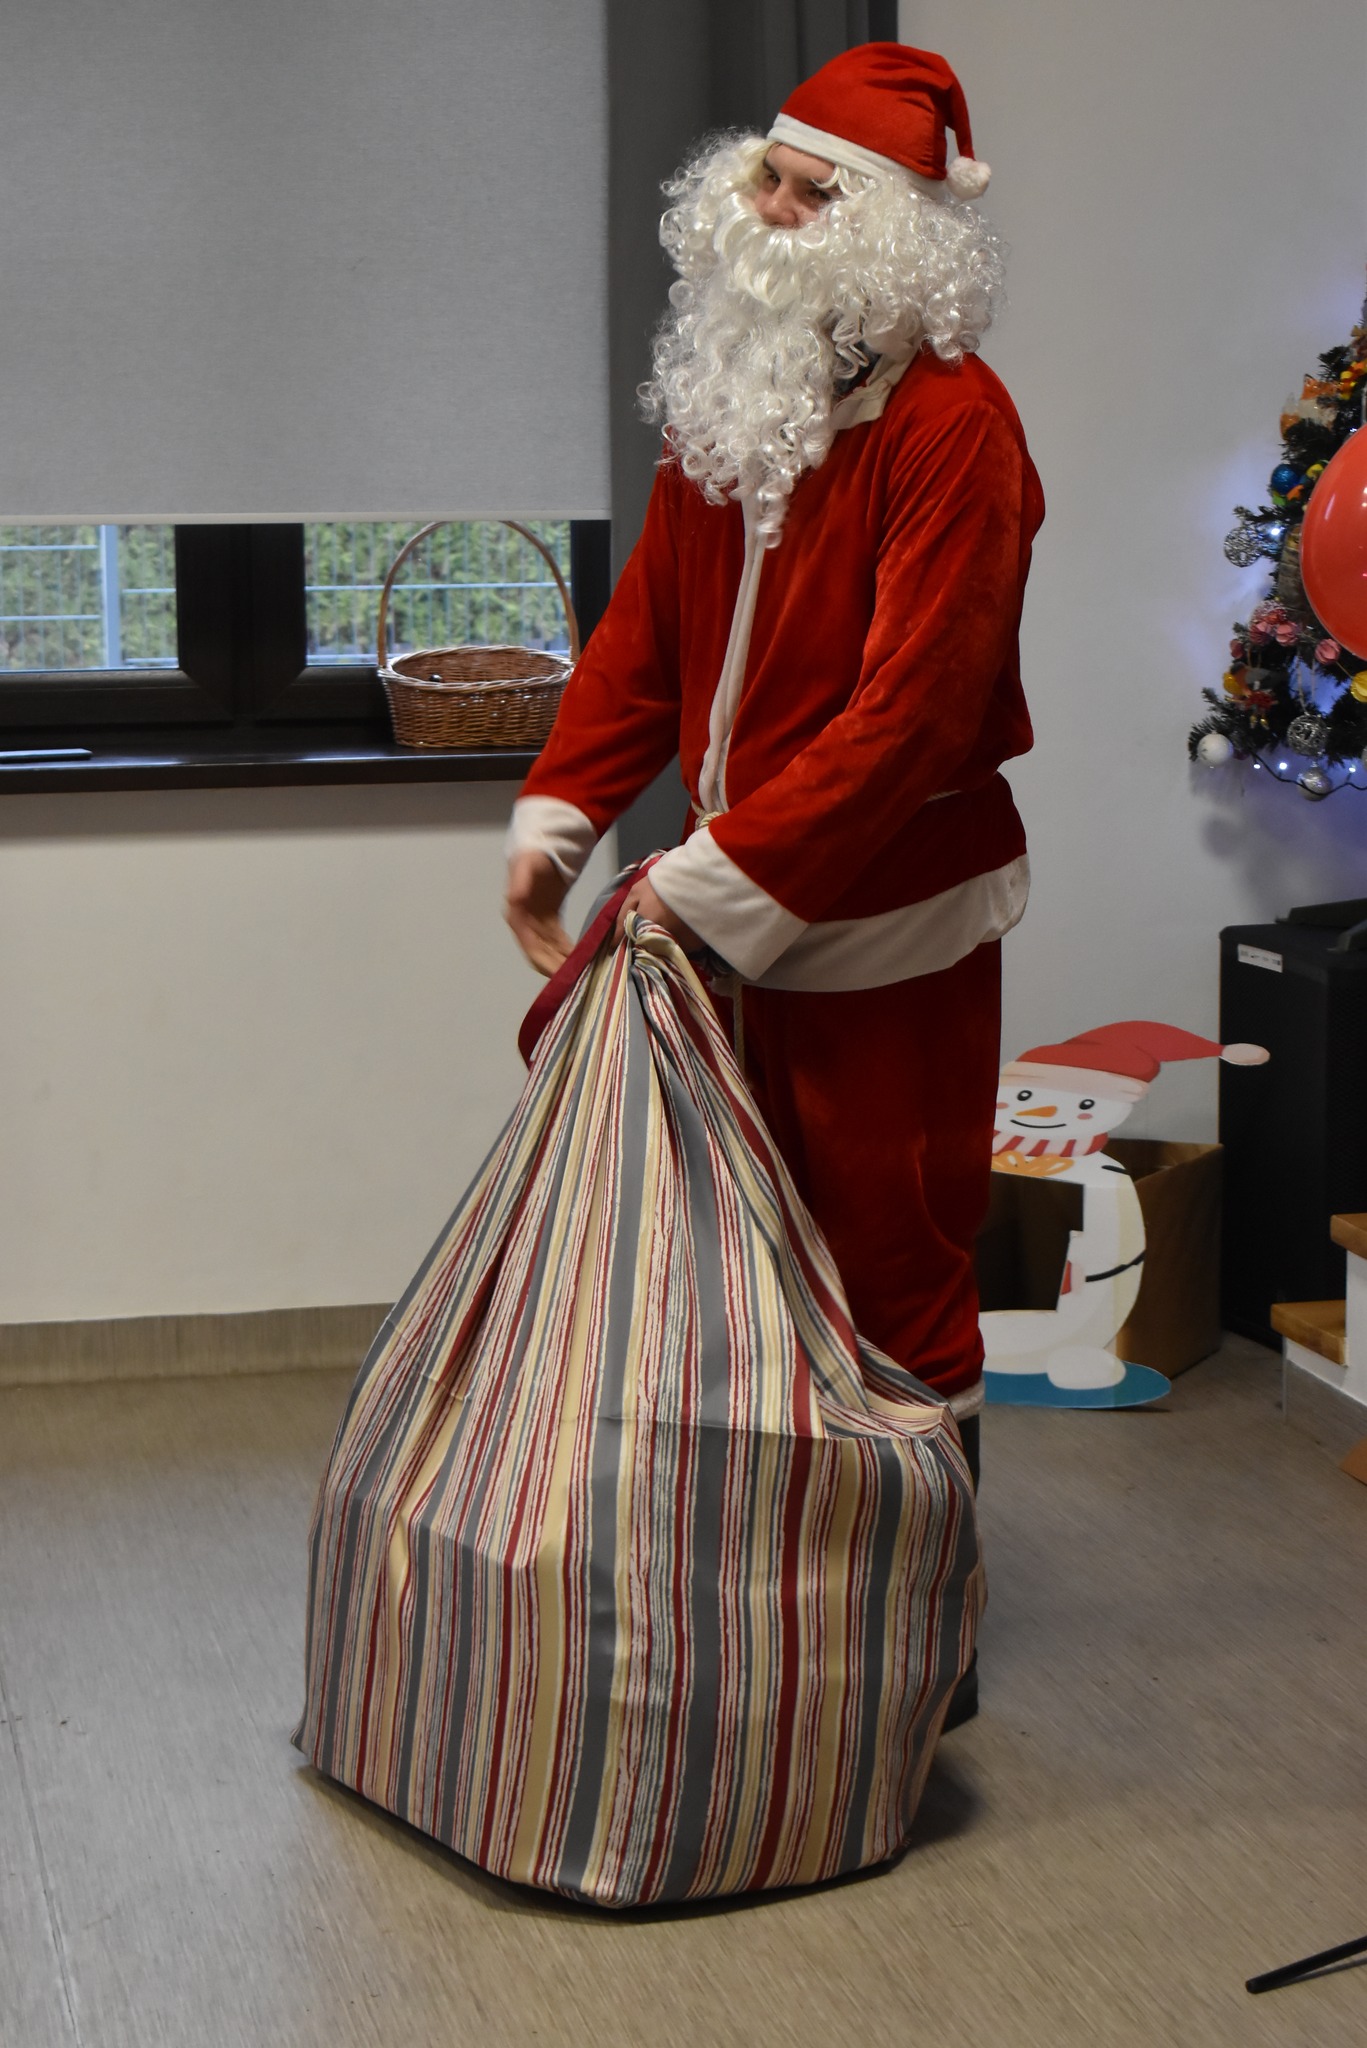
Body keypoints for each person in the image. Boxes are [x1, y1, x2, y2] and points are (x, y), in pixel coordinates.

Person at [504, 43, 1043, 1620]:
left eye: (819, 193)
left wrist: (701, 883)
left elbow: (914, 717)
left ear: (897, 234)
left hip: (887, 923)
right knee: (732, 1266)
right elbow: (648, 639)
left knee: (891, 1260)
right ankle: (770, 1612)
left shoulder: (956, 430)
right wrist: (562, 815)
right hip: (731, 911)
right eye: (770, 176)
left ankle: (918, 1628)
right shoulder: (742, 385)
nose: (775, 209)